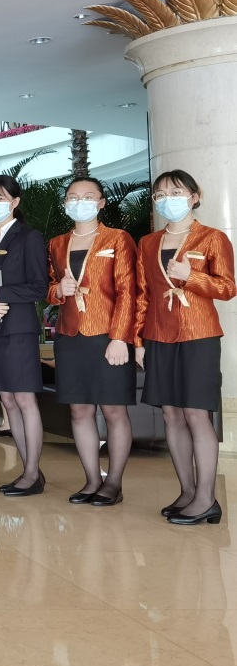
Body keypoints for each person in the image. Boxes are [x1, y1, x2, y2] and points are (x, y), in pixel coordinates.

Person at [135, 169, 236, 525]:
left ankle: (207, 498)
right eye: (160, 194)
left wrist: (190, 277)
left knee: (196, 414)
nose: (168, 200)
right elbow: (143, 295)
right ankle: (188, 491)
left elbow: (227, 287)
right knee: (171, 414)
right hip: (159, 335)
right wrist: (139, 341)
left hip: (199, 335)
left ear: (195, 196)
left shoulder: (212, 238)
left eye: (176, 192)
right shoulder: (148, 243)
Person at [48, 177, 137, 507]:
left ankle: (113, 482)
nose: (79, 202)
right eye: (72, 197)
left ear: (101, 203)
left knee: (113, 410)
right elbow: (49, 286)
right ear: (65, 203)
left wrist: (120, 338)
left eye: (88, 197)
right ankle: (91, 480)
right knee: (79, 410)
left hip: (107, 335)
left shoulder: (118, 238)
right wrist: (58, 291)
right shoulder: (57, 243)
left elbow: (128, 291)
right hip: (70, 335)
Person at [0, 174, 48, 496]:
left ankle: (32, 473)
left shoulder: (29, 238)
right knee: (8, 400)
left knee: (24, 398)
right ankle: (29, 470)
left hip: (18, 329)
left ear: (14, 202)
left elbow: (39, 287)